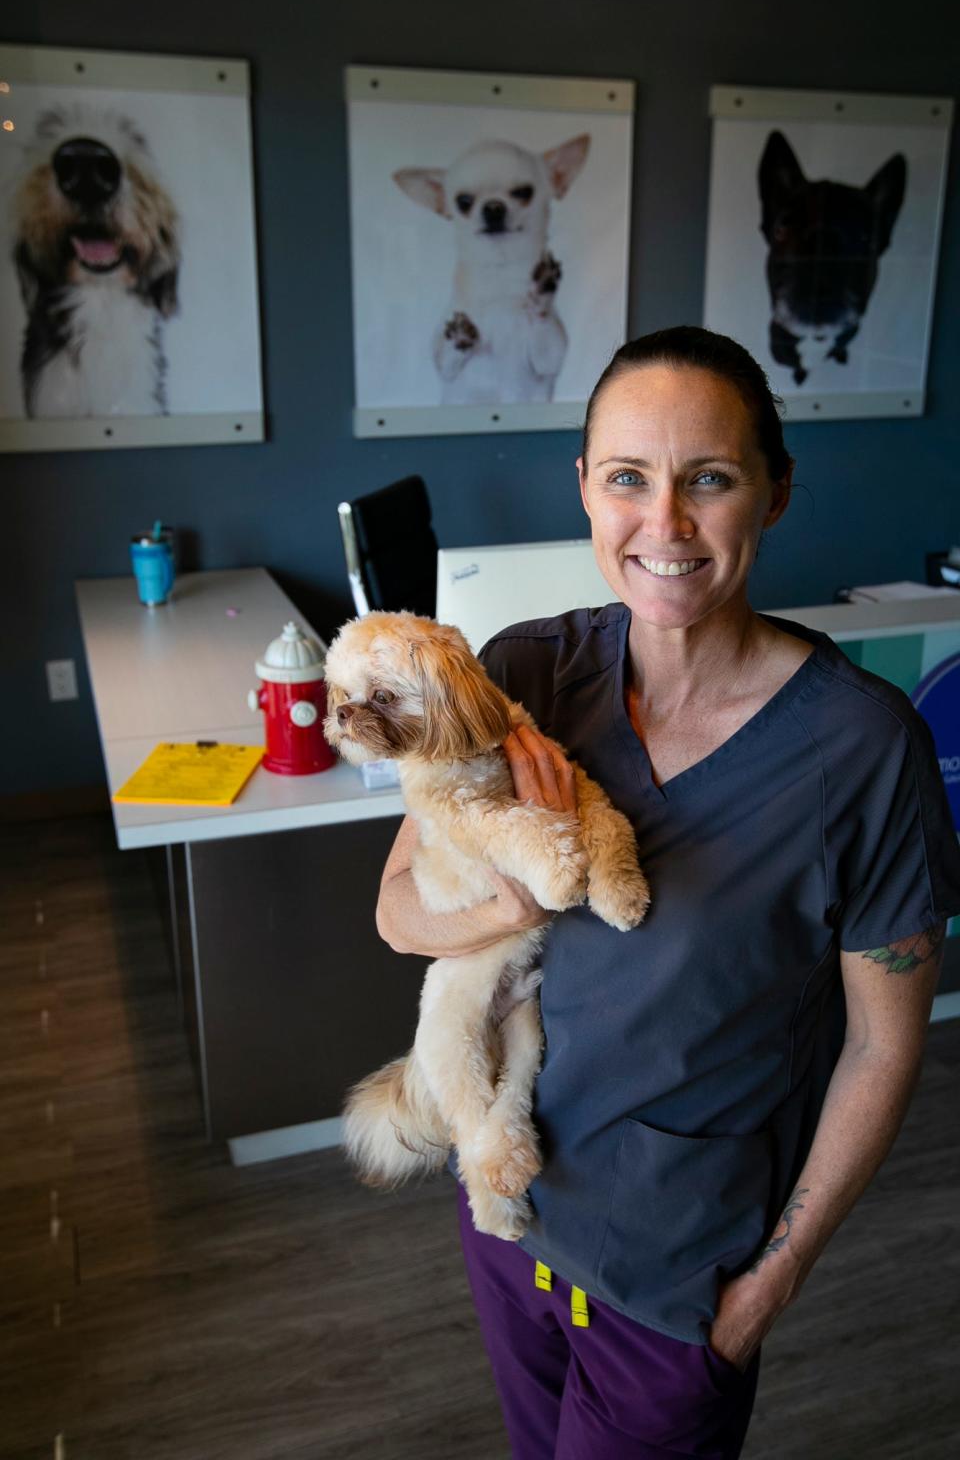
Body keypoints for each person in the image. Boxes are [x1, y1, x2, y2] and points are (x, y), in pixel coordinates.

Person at [375, 326, 960, 1460]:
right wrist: (517, 901)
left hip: (681, 1285)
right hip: (509, 1219)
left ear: (775, 494)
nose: (666, 524)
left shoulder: (861, 749)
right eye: (630, 478)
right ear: (586, 489)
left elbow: (884, 1048)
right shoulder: (524, 675)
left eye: (712, 479)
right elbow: (398, 909)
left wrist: (765, 1289)